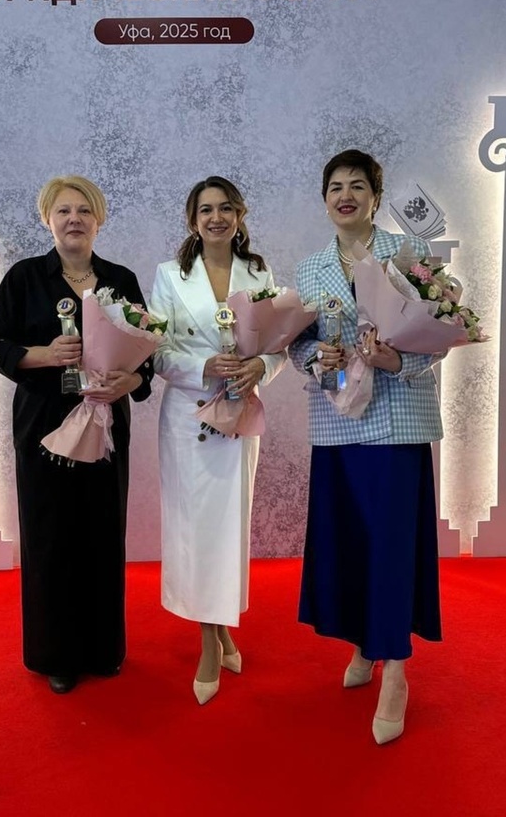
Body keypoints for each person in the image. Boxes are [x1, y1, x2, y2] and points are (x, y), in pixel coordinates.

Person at [289, 149, 443, 744]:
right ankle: (363, 643)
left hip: (398, 421)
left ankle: (396, 668)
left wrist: (396, 361)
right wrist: (317, 356)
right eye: (335, 187)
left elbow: (442, 333)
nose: (345, 195)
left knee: (393, 546)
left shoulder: (409, 254)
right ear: (325, 199)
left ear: (376, 197)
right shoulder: (310, 269)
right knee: (351, 542)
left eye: (357, 185)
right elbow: (296, 344)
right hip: (338, 423)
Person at [0, 175, 153, 694]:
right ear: (47, 219)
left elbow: (149, 352)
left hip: (105, 422)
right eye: (63, 211)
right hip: (44, 425)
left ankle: (103, 649)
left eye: (83, 210)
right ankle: (56, 654)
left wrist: (131, 381)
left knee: (102, 532)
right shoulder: (24, 278)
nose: (74, 219)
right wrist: (44, 355)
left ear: (98, 219)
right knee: (50, 537)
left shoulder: (120, 279)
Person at [149, 176, 286, 705]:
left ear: (239, 215)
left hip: (240, 412)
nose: (216, 218)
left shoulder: (259, 272)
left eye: (226, 208)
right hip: (189, 416)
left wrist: (261, 367)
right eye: (205, 210)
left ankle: (221, 627)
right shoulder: (169, 275)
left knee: (229, 524)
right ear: (192, 220)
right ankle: (210, 641)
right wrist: (203, 365)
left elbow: (278, 344)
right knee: (195, 526)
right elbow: (157, 351)